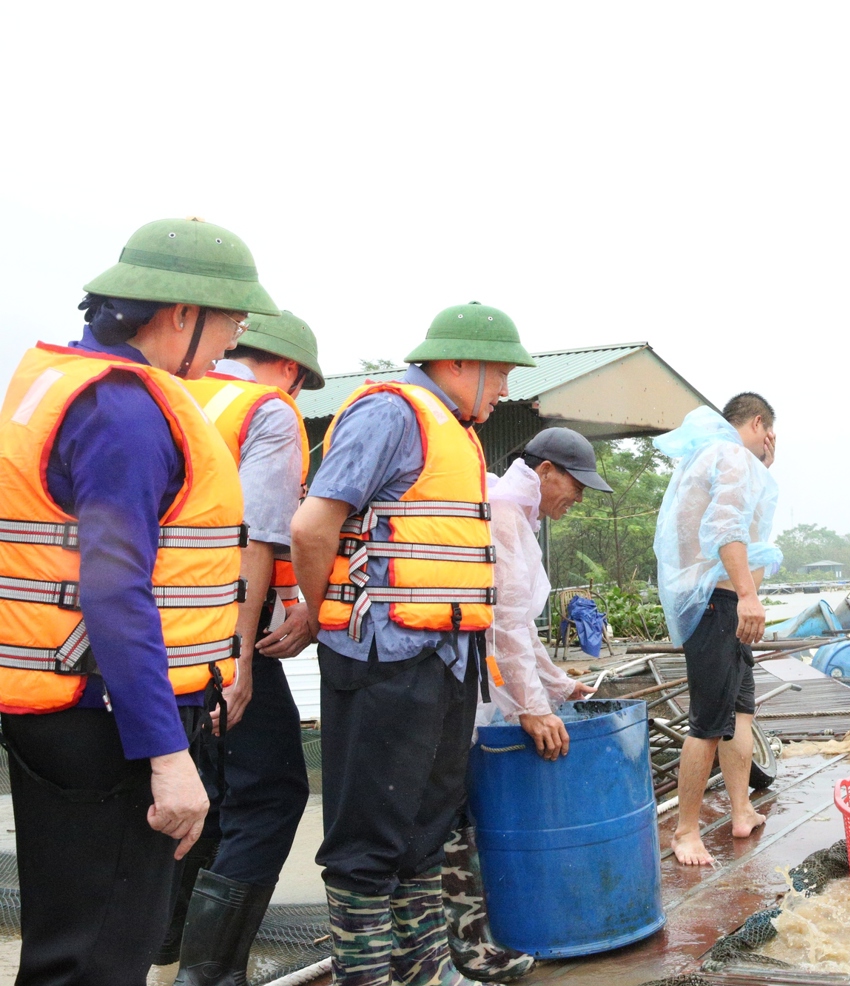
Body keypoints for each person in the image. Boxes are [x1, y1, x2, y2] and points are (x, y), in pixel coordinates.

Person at [0, 217, 274, 985]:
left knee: (69, 944)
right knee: (101, 956)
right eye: (231, 321)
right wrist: (167, 756)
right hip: (107, 720)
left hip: (64, 706)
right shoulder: (122, 411)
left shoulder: (62, 383)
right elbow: (116, 592)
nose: (233, 342)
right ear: (182, 313)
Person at [291, 301, 535, 986]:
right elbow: (313, 529)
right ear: (458, 362)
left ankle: (428, 971)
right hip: (382, 659)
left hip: (444, 658)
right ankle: (366, 976)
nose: (508, 388)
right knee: (367, 836)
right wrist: (324, 613)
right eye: (502, 372)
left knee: (425, 827)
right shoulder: (391, 413)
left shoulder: (454, 430)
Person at [164, 310, 326, 984]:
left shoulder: (171, 391)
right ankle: (212, 973)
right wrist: (240, 661)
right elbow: (256, 534)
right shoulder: (266, 409)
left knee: (196, 795)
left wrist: (288, 602)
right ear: (288, 368)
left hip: (146, 633)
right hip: (218, 633)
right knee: (271, 794)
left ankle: (166, 961)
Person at [440, 427, 612, 982]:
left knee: (457, 807)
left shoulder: (513, 510)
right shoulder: (505, 515)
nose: (577, 498)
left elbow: (522, 629)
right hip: (463, 686)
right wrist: (536, 709)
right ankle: (464, 945)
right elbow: (507, 627)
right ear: (544, 473)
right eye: (575, 485)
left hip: (478, 683)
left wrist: (559, 686)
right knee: (451, 811)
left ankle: (467, 940)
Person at [652, 394, 781, 866]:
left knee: (740, 711)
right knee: (708, 723)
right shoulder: (728, 455)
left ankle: (742, 809)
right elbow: (726, 527)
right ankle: (685, 831)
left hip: (724, 601)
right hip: (717, 603)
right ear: (759, 423)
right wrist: (749, 596)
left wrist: (764, 460)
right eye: (769, 435)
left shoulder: (709, 454)